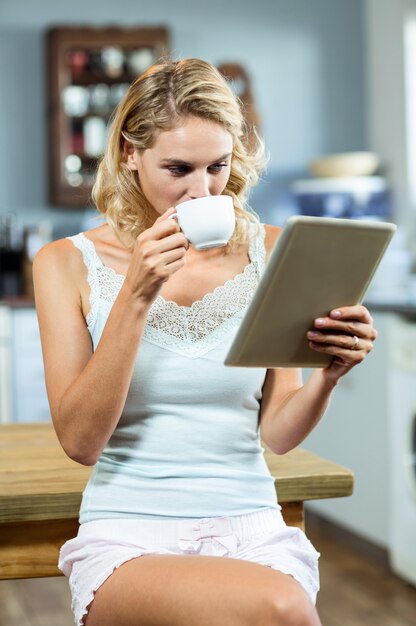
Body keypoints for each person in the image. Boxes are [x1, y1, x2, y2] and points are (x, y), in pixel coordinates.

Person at [33, 58, 377, 626]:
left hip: (251, 523)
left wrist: (329, 373)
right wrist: (136, 296)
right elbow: (80, 442)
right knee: (283, 609)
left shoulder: (269, 252)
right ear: (129, 154)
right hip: (129, 530)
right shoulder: (66, 264)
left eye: (217, 167)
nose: (202, 190)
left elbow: (277, 432)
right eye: (179, 168)